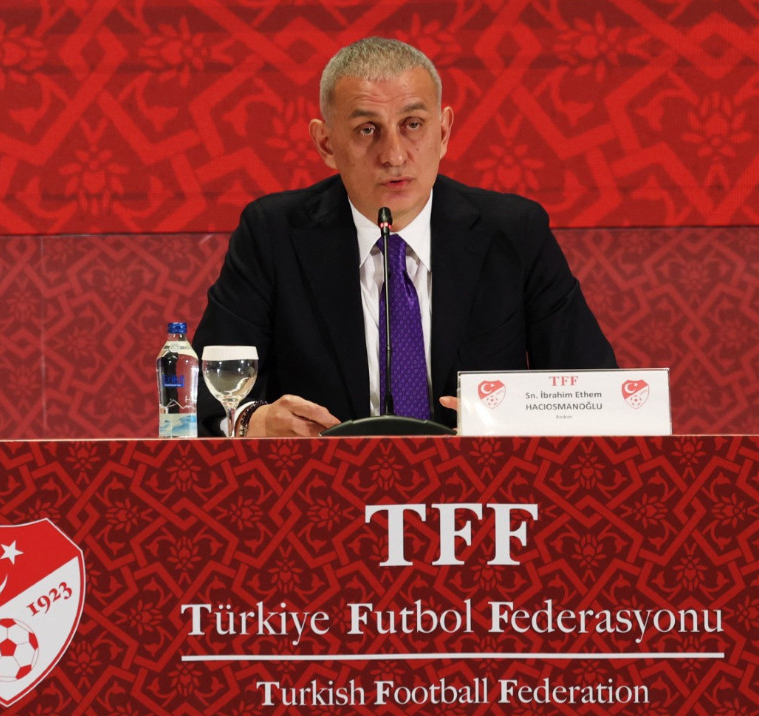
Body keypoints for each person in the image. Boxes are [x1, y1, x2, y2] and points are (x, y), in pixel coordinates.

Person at [193, 37, 616, 437]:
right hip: (323, 481)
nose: (394, 155)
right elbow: (207, 401)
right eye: (367, 129)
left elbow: (594, 393)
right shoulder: (273, 235)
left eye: (412, 124)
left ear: (443, 132)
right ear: (326, 143)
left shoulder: (514, 232)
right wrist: (250, 422)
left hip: (480, 481)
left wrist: (510, 420)